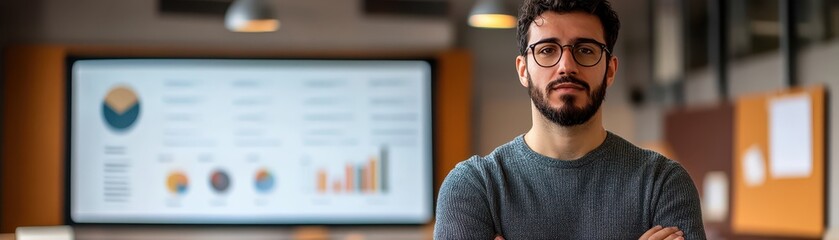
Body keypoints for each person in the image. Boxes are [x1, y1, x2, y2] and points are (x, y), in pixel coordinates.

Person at [433, 0, 706, 239]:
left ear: (610, 70)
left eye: (585, 49)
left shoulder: (662, 183)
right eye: (547, 50)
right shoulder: (474, 187)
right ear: (523, 70)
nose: (566, 65)